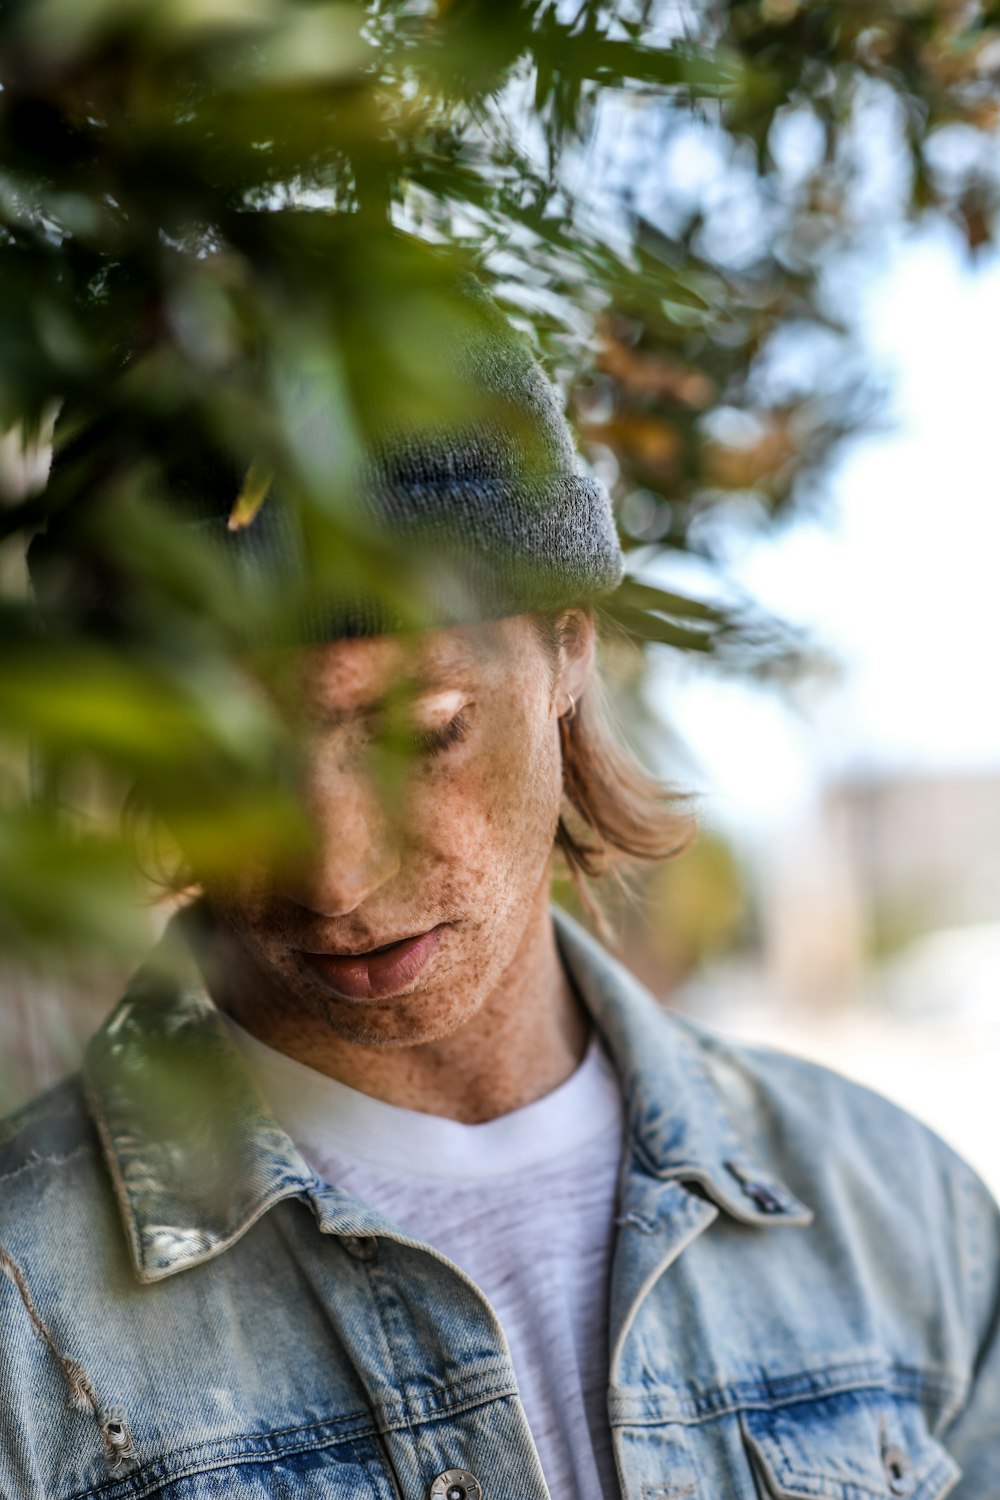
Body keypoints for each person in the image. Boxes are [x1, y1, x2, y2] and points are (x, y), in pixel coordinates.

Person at [5, 277, 1000, 1500]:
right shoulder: (22, 1321)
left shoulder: (901, 1218)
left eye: (424, 732)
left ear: (568, 651)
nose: (333, 876)